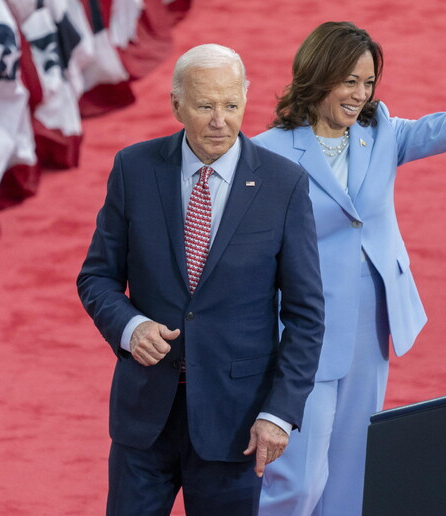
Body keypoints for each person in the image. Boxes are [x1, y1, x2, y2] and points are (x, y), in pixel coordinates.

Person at [253, 21, 446, 516]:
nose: (360, 94)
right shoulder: (268, 152)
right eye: (349, 81)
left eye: (369, 82)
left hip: (370, 325)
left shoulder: (379, 133)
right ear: (317, 76)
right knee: (298, 482)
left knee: (352, 475)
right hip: (303, 332)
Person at [77, 43, 325, 516]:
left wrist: (279, 413)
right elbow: (97, 278)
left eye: (231, 105)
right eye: (206, 105)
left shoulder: (284, 185)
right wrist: (130, 328)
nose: (220, 120)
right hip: (144, 420)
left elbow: (306, 316)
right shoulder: (134, 168)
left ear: (246, 100)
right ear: (177, 105)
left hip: (235, 424)